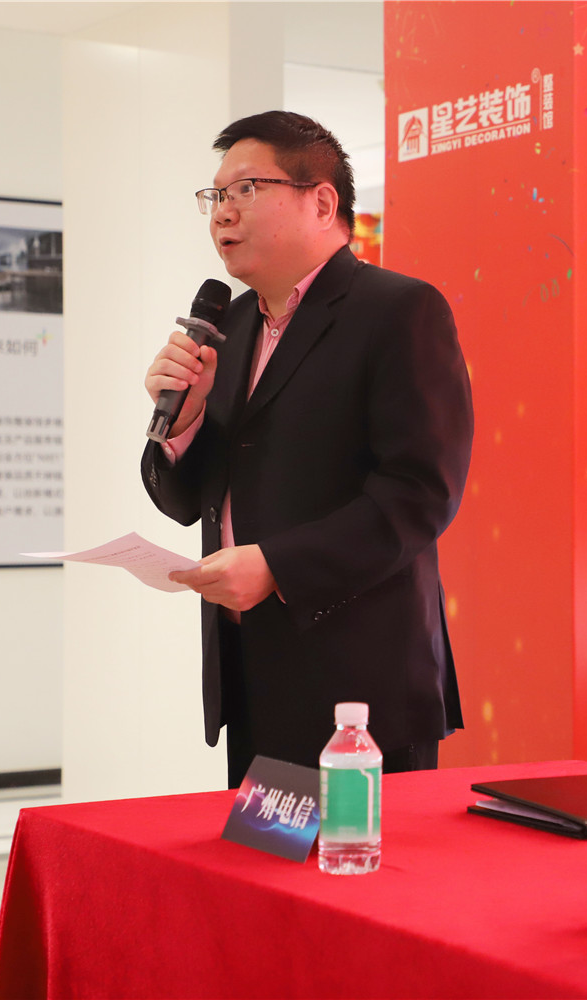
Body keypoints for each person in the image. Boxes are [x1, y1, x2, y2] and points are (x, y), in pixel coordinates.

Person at [141, 111, 473, 786]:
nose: (222, 212)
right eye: (215, 195)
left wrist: (276, 566)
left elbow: (419, 494)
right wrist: (185, 419)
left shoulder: (398, 310)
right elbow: (185, 501)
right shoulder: (232, 324)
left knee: (357, 857)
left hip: (360, 691)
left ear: (322, 202)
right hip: (251, 674)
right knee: (263, 855)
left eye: (246, 189)